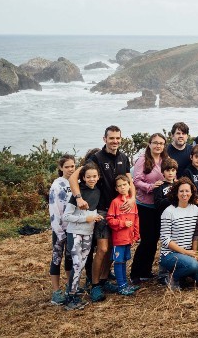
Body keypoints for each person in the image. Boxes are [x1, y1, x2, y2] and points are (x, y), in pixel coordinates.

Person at [68, 125, 131, 302]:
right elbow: (74, 177)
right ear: (105, 139)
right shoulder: (96, 158)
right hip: (103, 210)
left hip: (119, 209)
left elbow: (129, 180)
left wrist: (132, 199)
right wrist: (78, 198)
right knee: (102, 248)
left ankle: (103, 280)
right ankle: (95, 285)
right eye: (111, 138)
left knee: (112, 248)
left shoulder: (124, 157)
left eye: (118, 138)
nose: (115, 141)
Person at [62, 162, 102, 310]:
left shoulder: (97, 191)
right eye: (88, 177)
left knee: (82, 264)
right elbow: (66, 216)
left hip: (89, 234)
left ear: (98, 177)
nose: (92, 179)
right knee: (77, 264)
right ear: (83, 178)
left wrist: (95, 216)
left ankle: (74, 292)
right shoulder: (77, 194)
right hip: (75, 233)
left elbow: (91, 213)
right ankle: (70, 297)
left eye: (94, 176)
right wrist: (85, 219)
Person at [129, 133, 168, 283]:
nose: (158, 146)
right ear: (149, 144)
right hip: (145, 205)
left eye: (161, 143)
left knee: (155, 239)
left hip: (160, 205)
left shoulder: (165, 160)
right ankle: (136, 273)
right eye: (155, 143)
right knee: (146, 240)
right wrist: (151, 187)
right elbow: (136, 180)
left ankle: (146, 271)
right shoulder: (143, 160)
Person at [159, 178, 198, 289]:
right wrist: (186, 252)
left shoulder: (195, 210)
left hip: (190, 253)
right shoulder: (169, 211)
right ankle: (172, 278)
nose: (184, 194)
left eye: (187, 191)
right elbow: (165, 239)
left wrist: (196, 253)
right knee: (193, 265)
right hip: (170, 254)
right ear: (176, 193)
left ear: (192, 193)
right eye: (181, 191)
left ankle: (185, 273)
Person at [48, 154, 76, 305]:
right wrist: (58, 230)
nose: (70, 169)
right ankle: (56, 291)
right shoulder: (57, 185)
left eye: (72, 166)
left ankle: (70, 287)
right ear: (61, 168)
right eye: (67, 167)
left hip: (73, 227)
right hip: (60, 228)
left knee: (70, 257)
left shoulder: (76, 182)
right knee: (56, 258)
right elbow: (54, 209)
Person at [106, 174, 139, 295]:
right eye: (119, 186)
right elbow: (109, 220)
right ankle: (121, 285)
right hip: (118, 239)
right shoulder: (115, 202)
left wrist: (136, 234)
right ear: (116, 189)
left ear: (129, 185)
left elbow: (136, 219)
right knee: (118, 261)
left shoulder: (132, 202)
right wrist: (123, 223)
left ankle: (125, 284)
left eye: (124, 184)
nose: (122, 187)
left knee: (124, 261)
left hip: (128, 238)